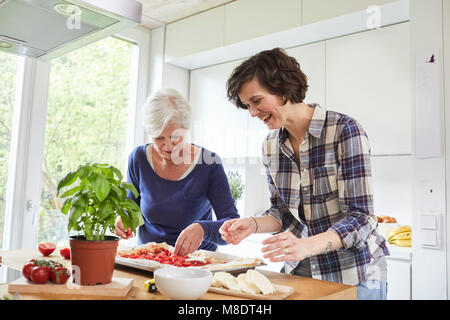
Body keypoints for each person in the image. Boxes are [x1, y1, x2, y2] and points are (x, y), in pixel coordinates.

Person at [219, 48, 389, 300]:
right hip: (301, 271)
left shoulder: (343, 131)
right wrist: (252, 225)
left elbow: (362, 217)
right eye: (247, 106)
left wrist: (306, 246)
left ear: (283, 89)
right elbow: (281, 212)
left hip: (355, 273)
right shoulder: (270, 145)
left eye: (256, 101)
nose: (252, 113)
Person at [115, 88, 240, 256]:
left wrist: (203, 229)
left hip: (197, 261)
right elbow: (130, 210)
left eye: (175, 137)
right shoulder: (138, 159)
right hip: (148, 258)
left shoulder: (209, 164)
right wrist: (123, 222)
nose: (168, 146)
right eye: (159, 138)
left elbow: (233, 227)